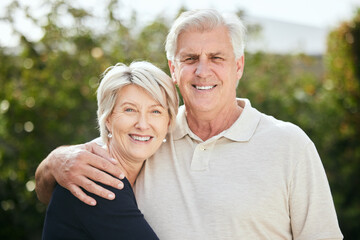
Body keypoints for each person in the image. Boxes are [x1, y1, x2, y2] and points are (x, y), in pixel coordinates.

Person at [36, 9, 343, 239]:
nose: (203, 71)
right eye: (191, 58)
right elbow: (66, 186)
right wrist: (54, 162)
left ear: (238, 66)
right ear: (173, 68)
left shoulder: (289, 144)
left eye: (217, 58)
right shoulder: (152, 136)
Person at [41, 61, 179, 239]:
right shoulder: (98, 181)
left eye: (155, 112)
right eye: (129, 110)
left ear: (168, 122)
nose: (143, 125)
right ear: (107, 118)